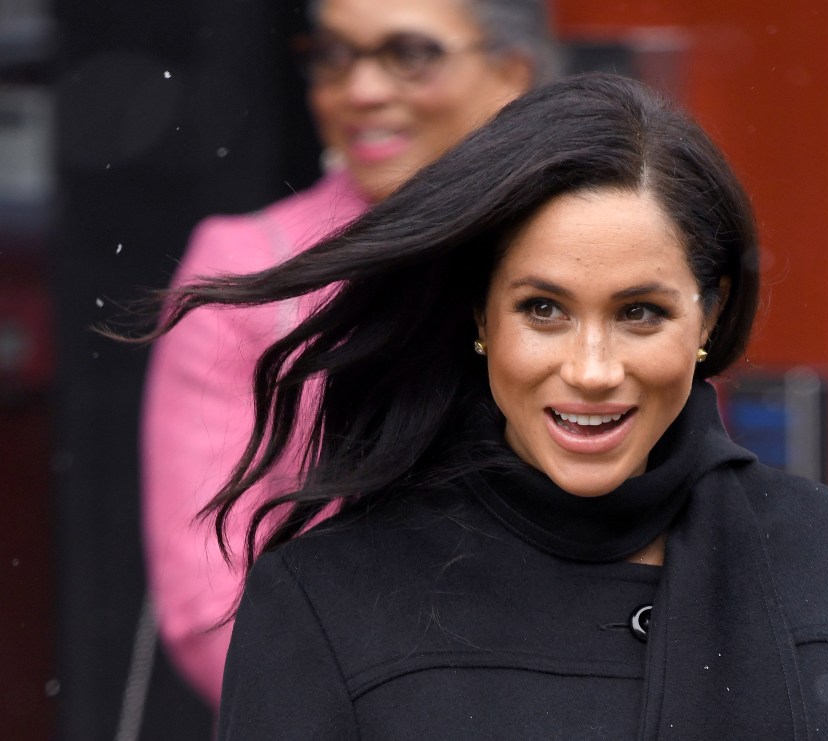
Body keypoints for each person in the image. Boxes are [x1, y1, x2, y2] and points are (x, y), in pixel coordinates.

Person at [153, 73, 828, 739]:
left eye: (640, 312)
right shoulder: (328, 597)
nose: (592, 369)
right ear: (481, 315)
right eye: (544, 309)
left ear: (709, 317)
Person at [141, 0, 558, 705]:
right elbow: (208, 603)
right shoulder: (250, 271)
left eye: (410, 54)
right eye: (335, 56)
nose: (360, 90)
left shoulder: (595, 249)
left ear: (511, 70)